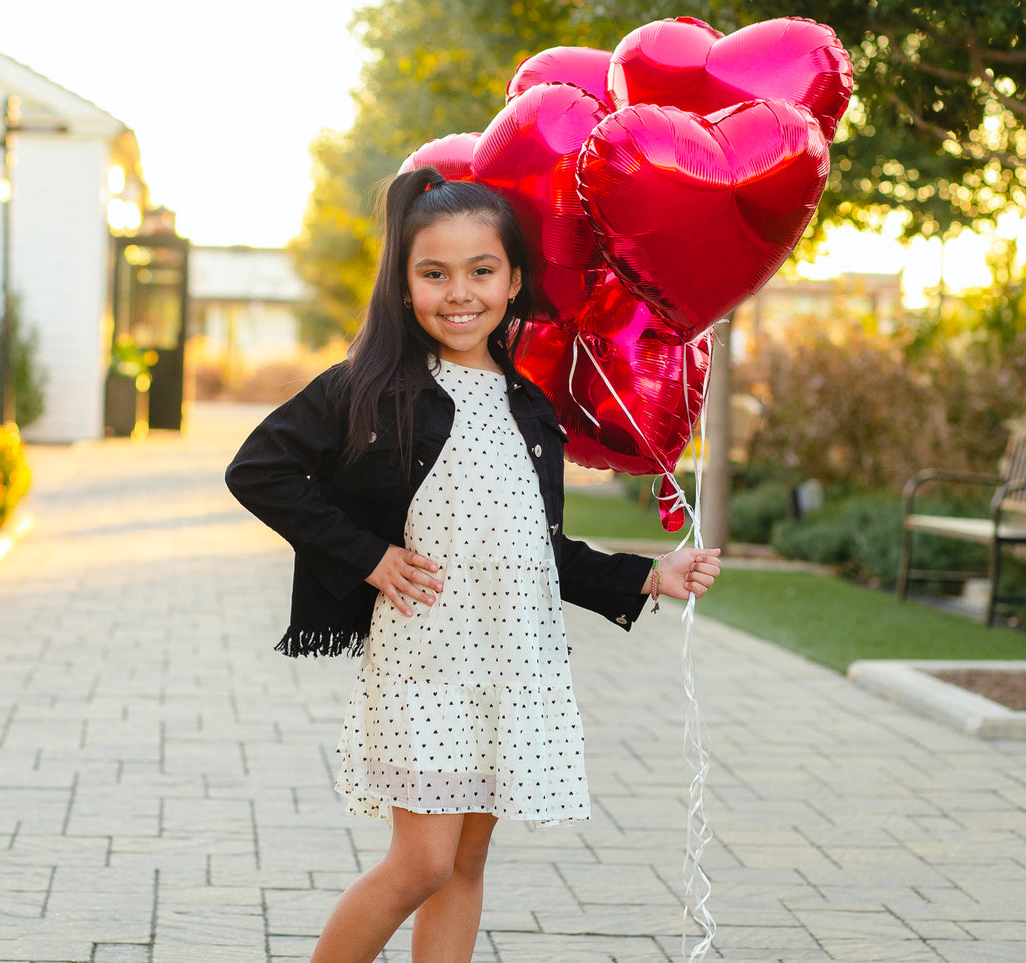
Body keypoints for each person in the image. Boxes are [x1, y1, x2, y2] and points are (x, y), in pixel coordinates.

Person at [225, 165, 721, 962]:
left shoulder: (529, 407)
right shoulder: (375, 386)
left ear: (514, 278)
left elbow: (538, 549)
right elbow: (260, 469)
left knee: (463, 863)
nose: (459, 293)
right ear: (404, 283)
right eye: (434, 273)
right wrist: (369, 557)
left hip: (509, 662)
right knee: (419, 862)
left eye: (481, 270)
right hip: (425, 662)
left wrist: (647, 575)